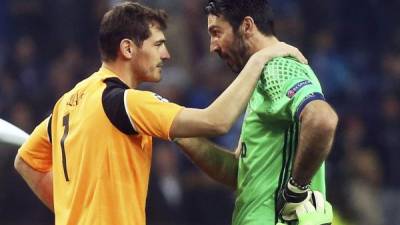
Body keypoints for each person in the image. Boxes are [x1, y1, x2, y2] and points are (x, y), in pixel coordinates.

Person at [13, 2, 307, 225]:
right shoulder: (126, 101)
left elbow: (26, 161)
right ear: (128, 48)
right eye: (158, 45)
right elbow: (217, 120)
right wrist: (261, 58)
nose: (166, 55)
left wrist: (70, 211)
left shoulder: (68, 102)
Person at [174, 0, 338, 225]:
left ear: (247, 26)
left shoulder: (279, 69)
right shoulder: (260, 75)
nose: (213, 46)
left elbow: (322, 120)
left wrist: (297, 189)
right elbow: (237, 172)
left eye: (217, 32)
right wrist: (175, 129)